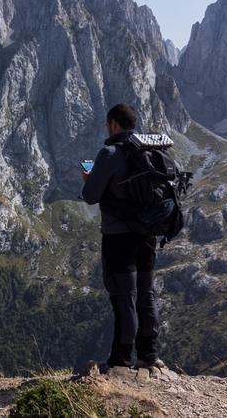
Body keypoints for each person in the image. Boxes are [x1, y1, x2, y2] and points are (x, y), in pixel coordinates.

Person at [80, 103, 164, 371]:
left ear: (114, 124)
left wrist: (89, 177)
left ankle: (121, 360)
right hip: (148, 234)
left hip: (119, 237)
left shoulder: (109, 153)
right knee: (146, 294)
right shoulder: (149, 150)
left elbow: (92, 196)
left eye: (108, 124)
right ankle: (149, 355)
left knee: (123, 297)